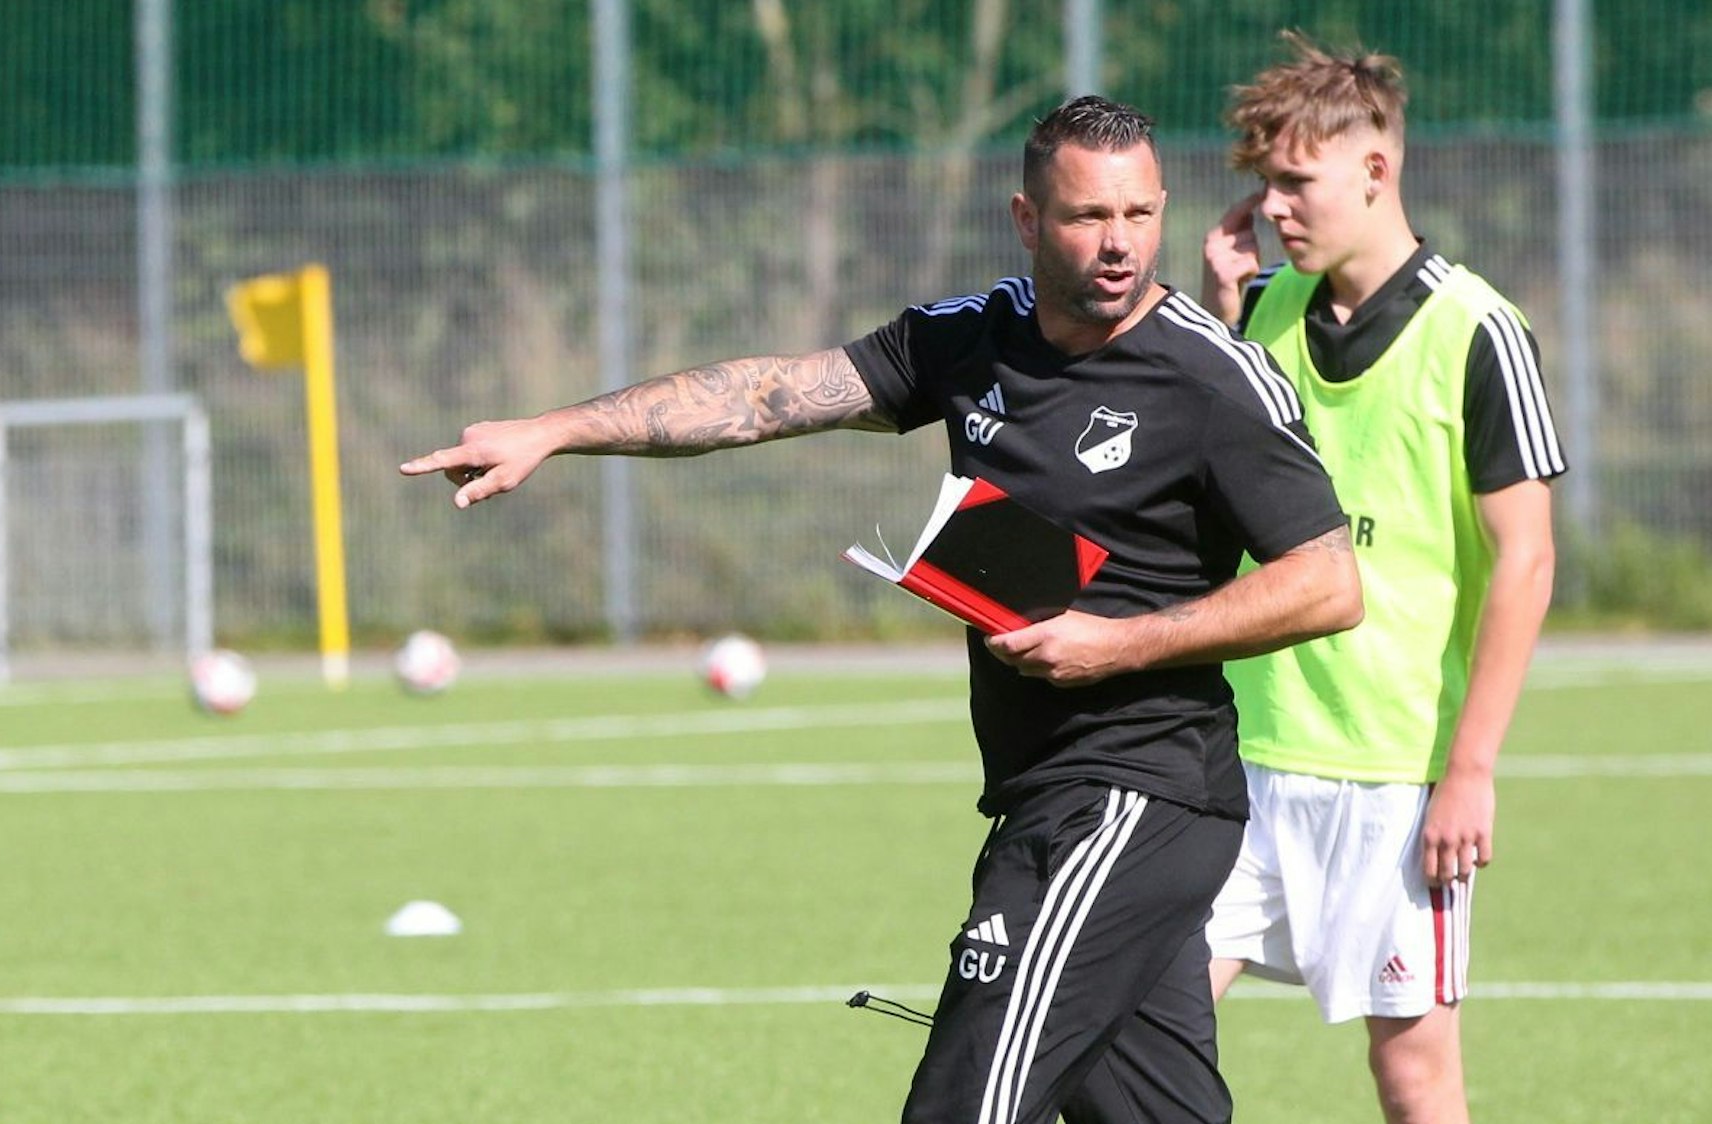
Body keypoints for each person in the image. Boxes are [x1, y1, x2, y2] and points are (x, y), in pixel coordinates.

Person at [405, 95, 1362, 1124]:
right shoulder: (969, 339)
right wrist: (555, 428)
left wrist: (1115, 643)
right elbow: (769, 395)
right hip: (1040, 791)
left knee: (962, 1105)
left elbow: (1327, 580)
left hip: (1132, 795)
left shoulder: (1211, 378)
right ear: (1027, 218)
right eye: (1087, 216)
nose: (1117, 242)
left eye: (1137, 214)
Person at [1198, 32, 1564, 1124]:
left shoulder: (1477, 330)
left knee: (1410, 1077)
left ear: (1374, 170)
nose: (1272, 206)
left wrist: (1470, 768)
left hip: (1396, 775)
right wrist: (1216, 315)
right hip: (1245, 764)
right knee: (1143, 1027)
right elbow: (1212, 488)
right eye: (1262, 184)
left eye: (1294, 180)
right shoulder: (1261, 310)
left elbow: (1526, 558)